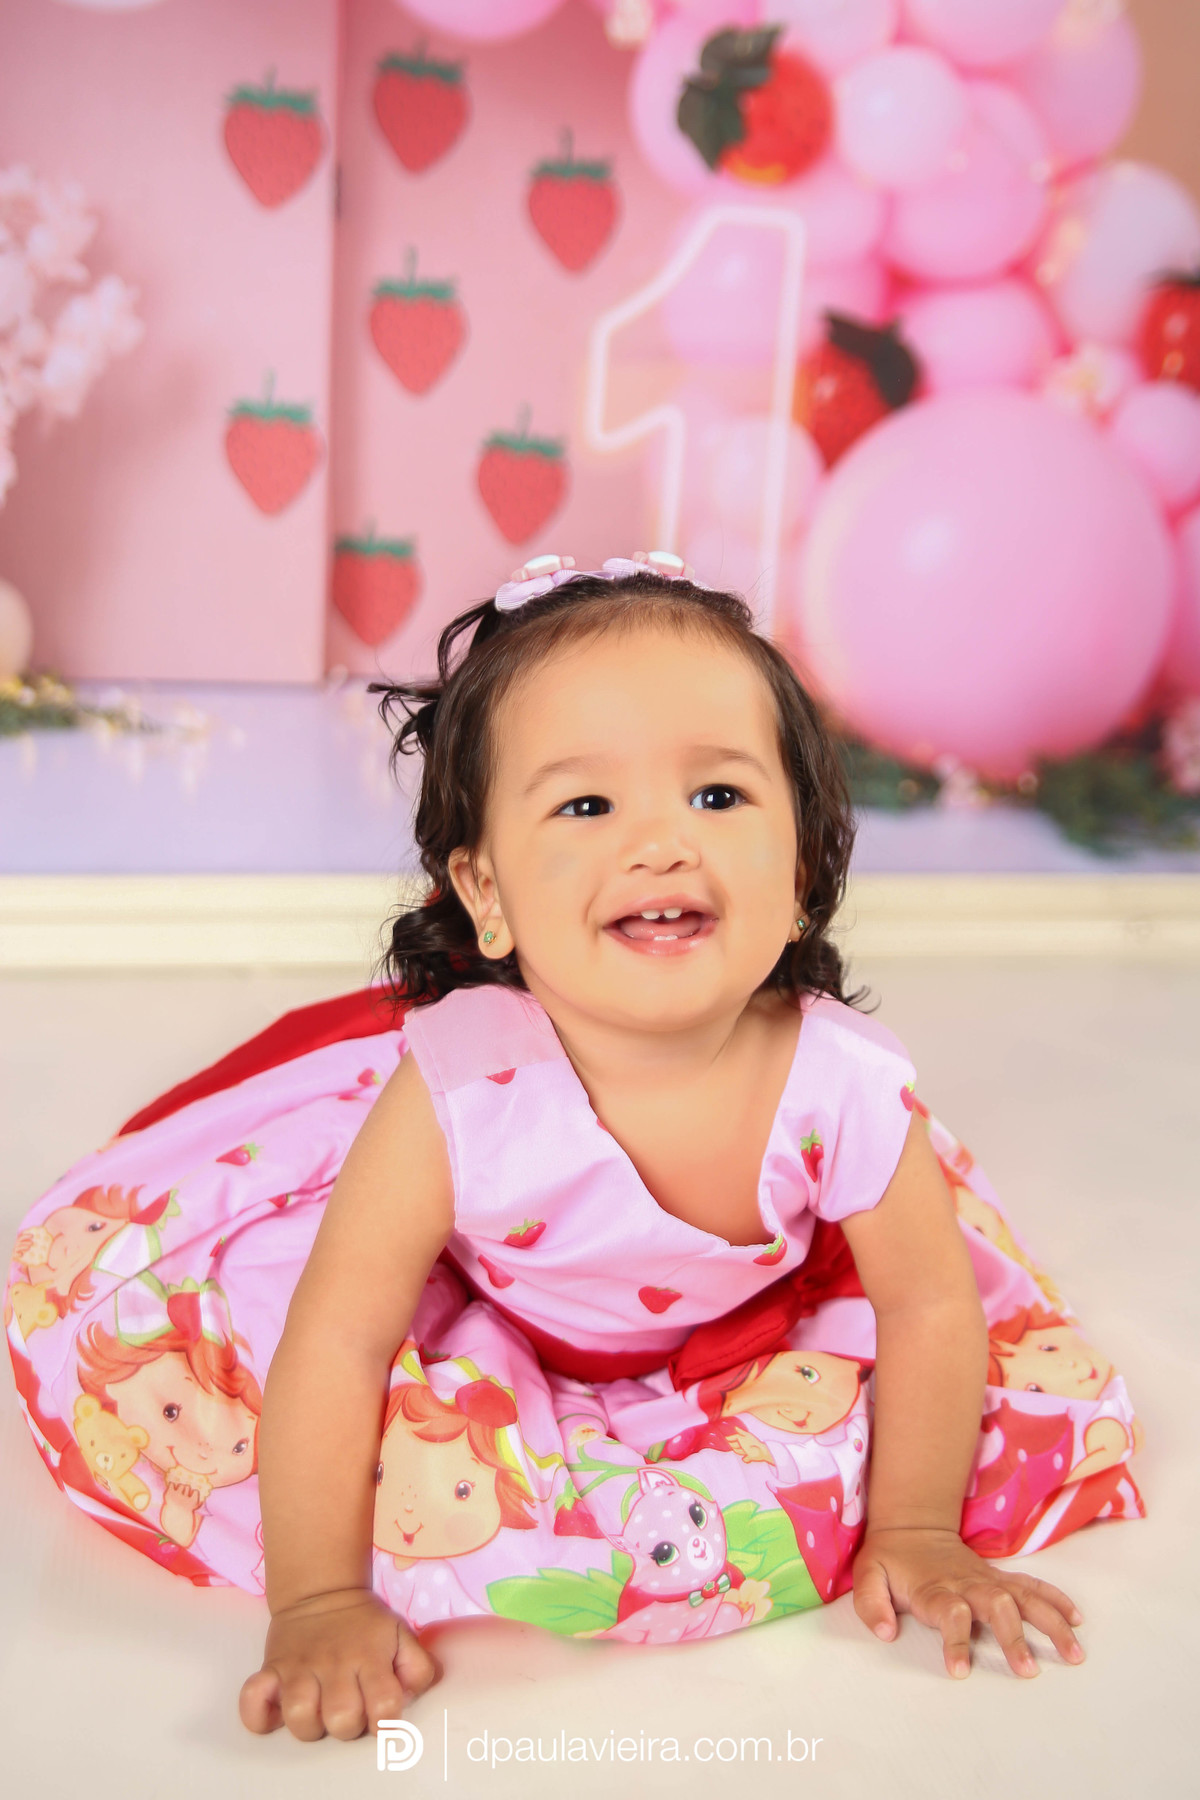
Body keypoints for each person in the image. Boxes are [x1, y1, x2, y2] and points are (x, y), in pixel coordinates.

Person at [4, 553, 1144, 1744]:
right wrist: (319, 1599)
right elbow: (340, 1338)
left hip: (742, 1328)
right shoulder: (461, 1094)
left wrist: (914, 1528)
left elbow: (927, 1307)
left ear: (803, 869)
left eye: (718, 796)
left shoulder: (843, 1083)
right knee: (223, 1382)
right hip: (489, 1303)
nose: (661, 844)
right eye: (587, 807)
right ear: (486, 892)